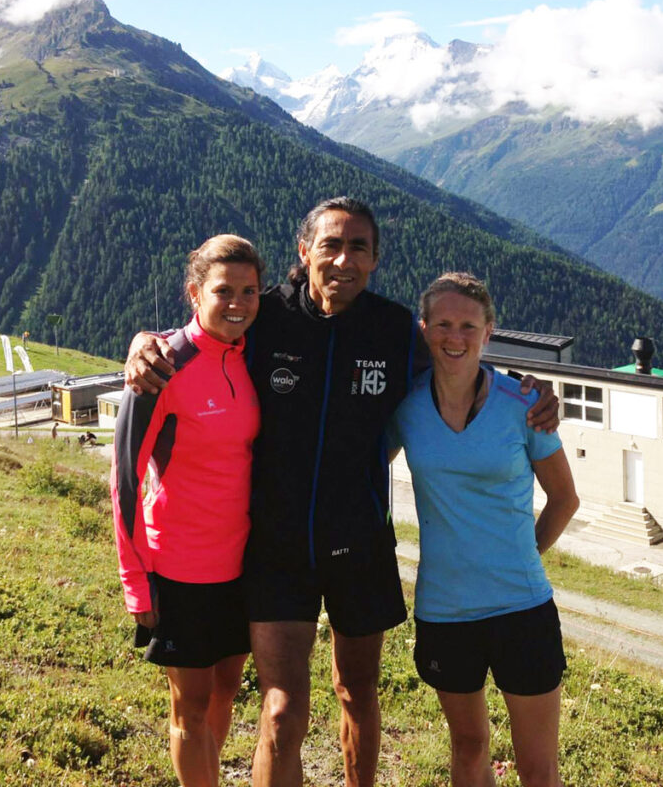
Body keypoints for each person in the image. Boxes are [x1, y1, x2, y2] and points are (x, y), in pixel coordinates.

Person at [124, 198, 560, 787]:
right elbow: (204, 334)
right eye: (330, 245)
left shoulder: (393, 329)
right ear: (303, 253)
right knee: (281, 710)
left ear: (375, 259)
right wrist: (144, 342)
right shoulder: (266, 316)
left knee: (358, 693)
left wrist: (533, 390)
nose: (343, 259)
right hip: (276, 546)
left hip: (360, 542)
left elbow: (459, 361)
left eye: (359, 247)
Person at [386, 272, 579, 787]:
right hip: (445, 611)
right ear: (424, 328)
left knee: (538, 768)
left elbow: (564, 499)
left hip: (523, 608)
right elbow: (359, 467)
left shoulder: (524, 405)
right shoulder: (405, 409)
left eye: (469, 325)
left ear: (489, 331)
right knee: (469, 747)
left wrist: (526, 554)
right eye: (444, 324)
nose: (456, 337)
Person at [111, 234, 264, 787]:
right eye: (224, 290)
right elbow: (124, 481)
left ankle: (207, 774)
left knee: (225, 689)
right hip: (179, 568)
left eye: (250, 290)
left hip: (241, 567)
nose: (238, 303)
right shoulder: (161, 367)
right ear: (194, 291)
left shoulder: (253, 353)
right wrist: (137, 584)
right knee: (190, 708)